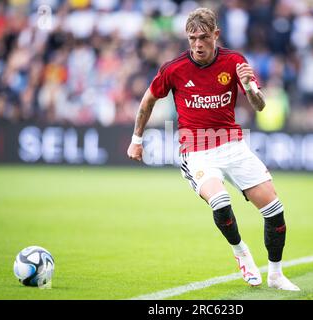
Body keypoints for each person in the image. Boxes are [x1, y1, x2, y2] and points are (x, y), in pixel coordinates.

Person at [127, 7, 299, 291]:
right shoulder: (174, 68)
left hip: (233, 145)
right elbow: (147, 101)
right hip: (197, 151)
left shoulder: (235, 62)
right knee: (220, 202)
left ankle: (277, 274)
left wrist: (250, 87)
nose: (197, 44)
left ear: (216, 35)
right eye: (192, 38)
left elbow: (260, 106)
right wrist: (136, 139)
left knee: (274, 211)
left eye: (203, 37)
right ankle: (241, 252)